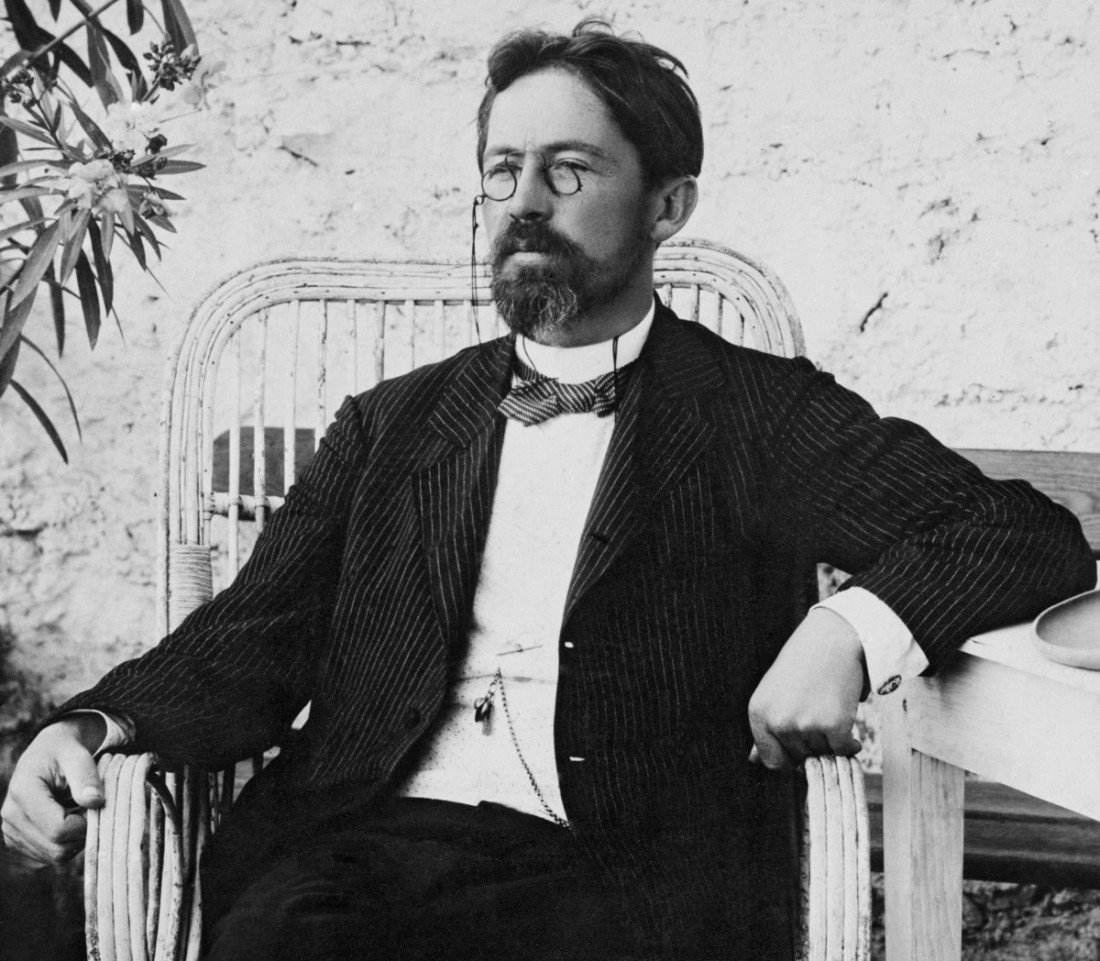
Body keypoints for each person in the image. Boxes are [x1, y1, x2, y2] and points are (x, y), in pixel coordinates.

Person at [2, 19, 1094, 961]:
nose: (523, 202)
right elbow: (253, 632)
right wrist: (95, 722)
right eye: (502, 170)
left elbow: (1017, 531)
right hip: (362, 852)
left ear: (667, 205)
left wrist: (846, 628)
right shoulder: (390, 423)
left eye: (569, 171)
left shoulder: (755, 412)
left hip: (624, 874)